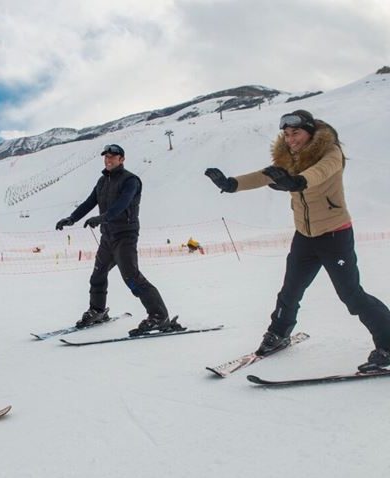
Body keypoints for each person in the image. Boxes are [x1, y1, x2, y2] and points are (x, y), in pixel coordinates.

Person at [205, 109, 390, 372]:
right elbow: (264, 175)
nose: (291, 139)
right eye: (287, 134)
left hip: (334, 233)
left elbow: (319, 173)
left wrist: (296, 181)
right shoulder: (288, 158)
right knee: (290, 290)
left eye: (296, 133)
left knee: (351, 295)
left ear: (310, 132)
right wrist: (232, 184)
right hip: (304, 236)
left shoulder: (331, 153)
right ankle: (278, 333)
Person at [55, 144, 173, 335]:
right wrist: (72, 218)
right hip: (107, 236)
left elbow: (122, 204)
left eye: (113, 157)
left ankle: (159, 316)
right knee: (97, 275)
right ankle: (98, 311)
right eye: (106, 157)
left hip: (125, 235)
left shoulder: (131, 180)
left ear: (122, 159)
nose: (108, 160)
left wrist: (102, 218)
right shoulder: (102, 181)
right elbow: (89, 202)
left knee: (132, 277)